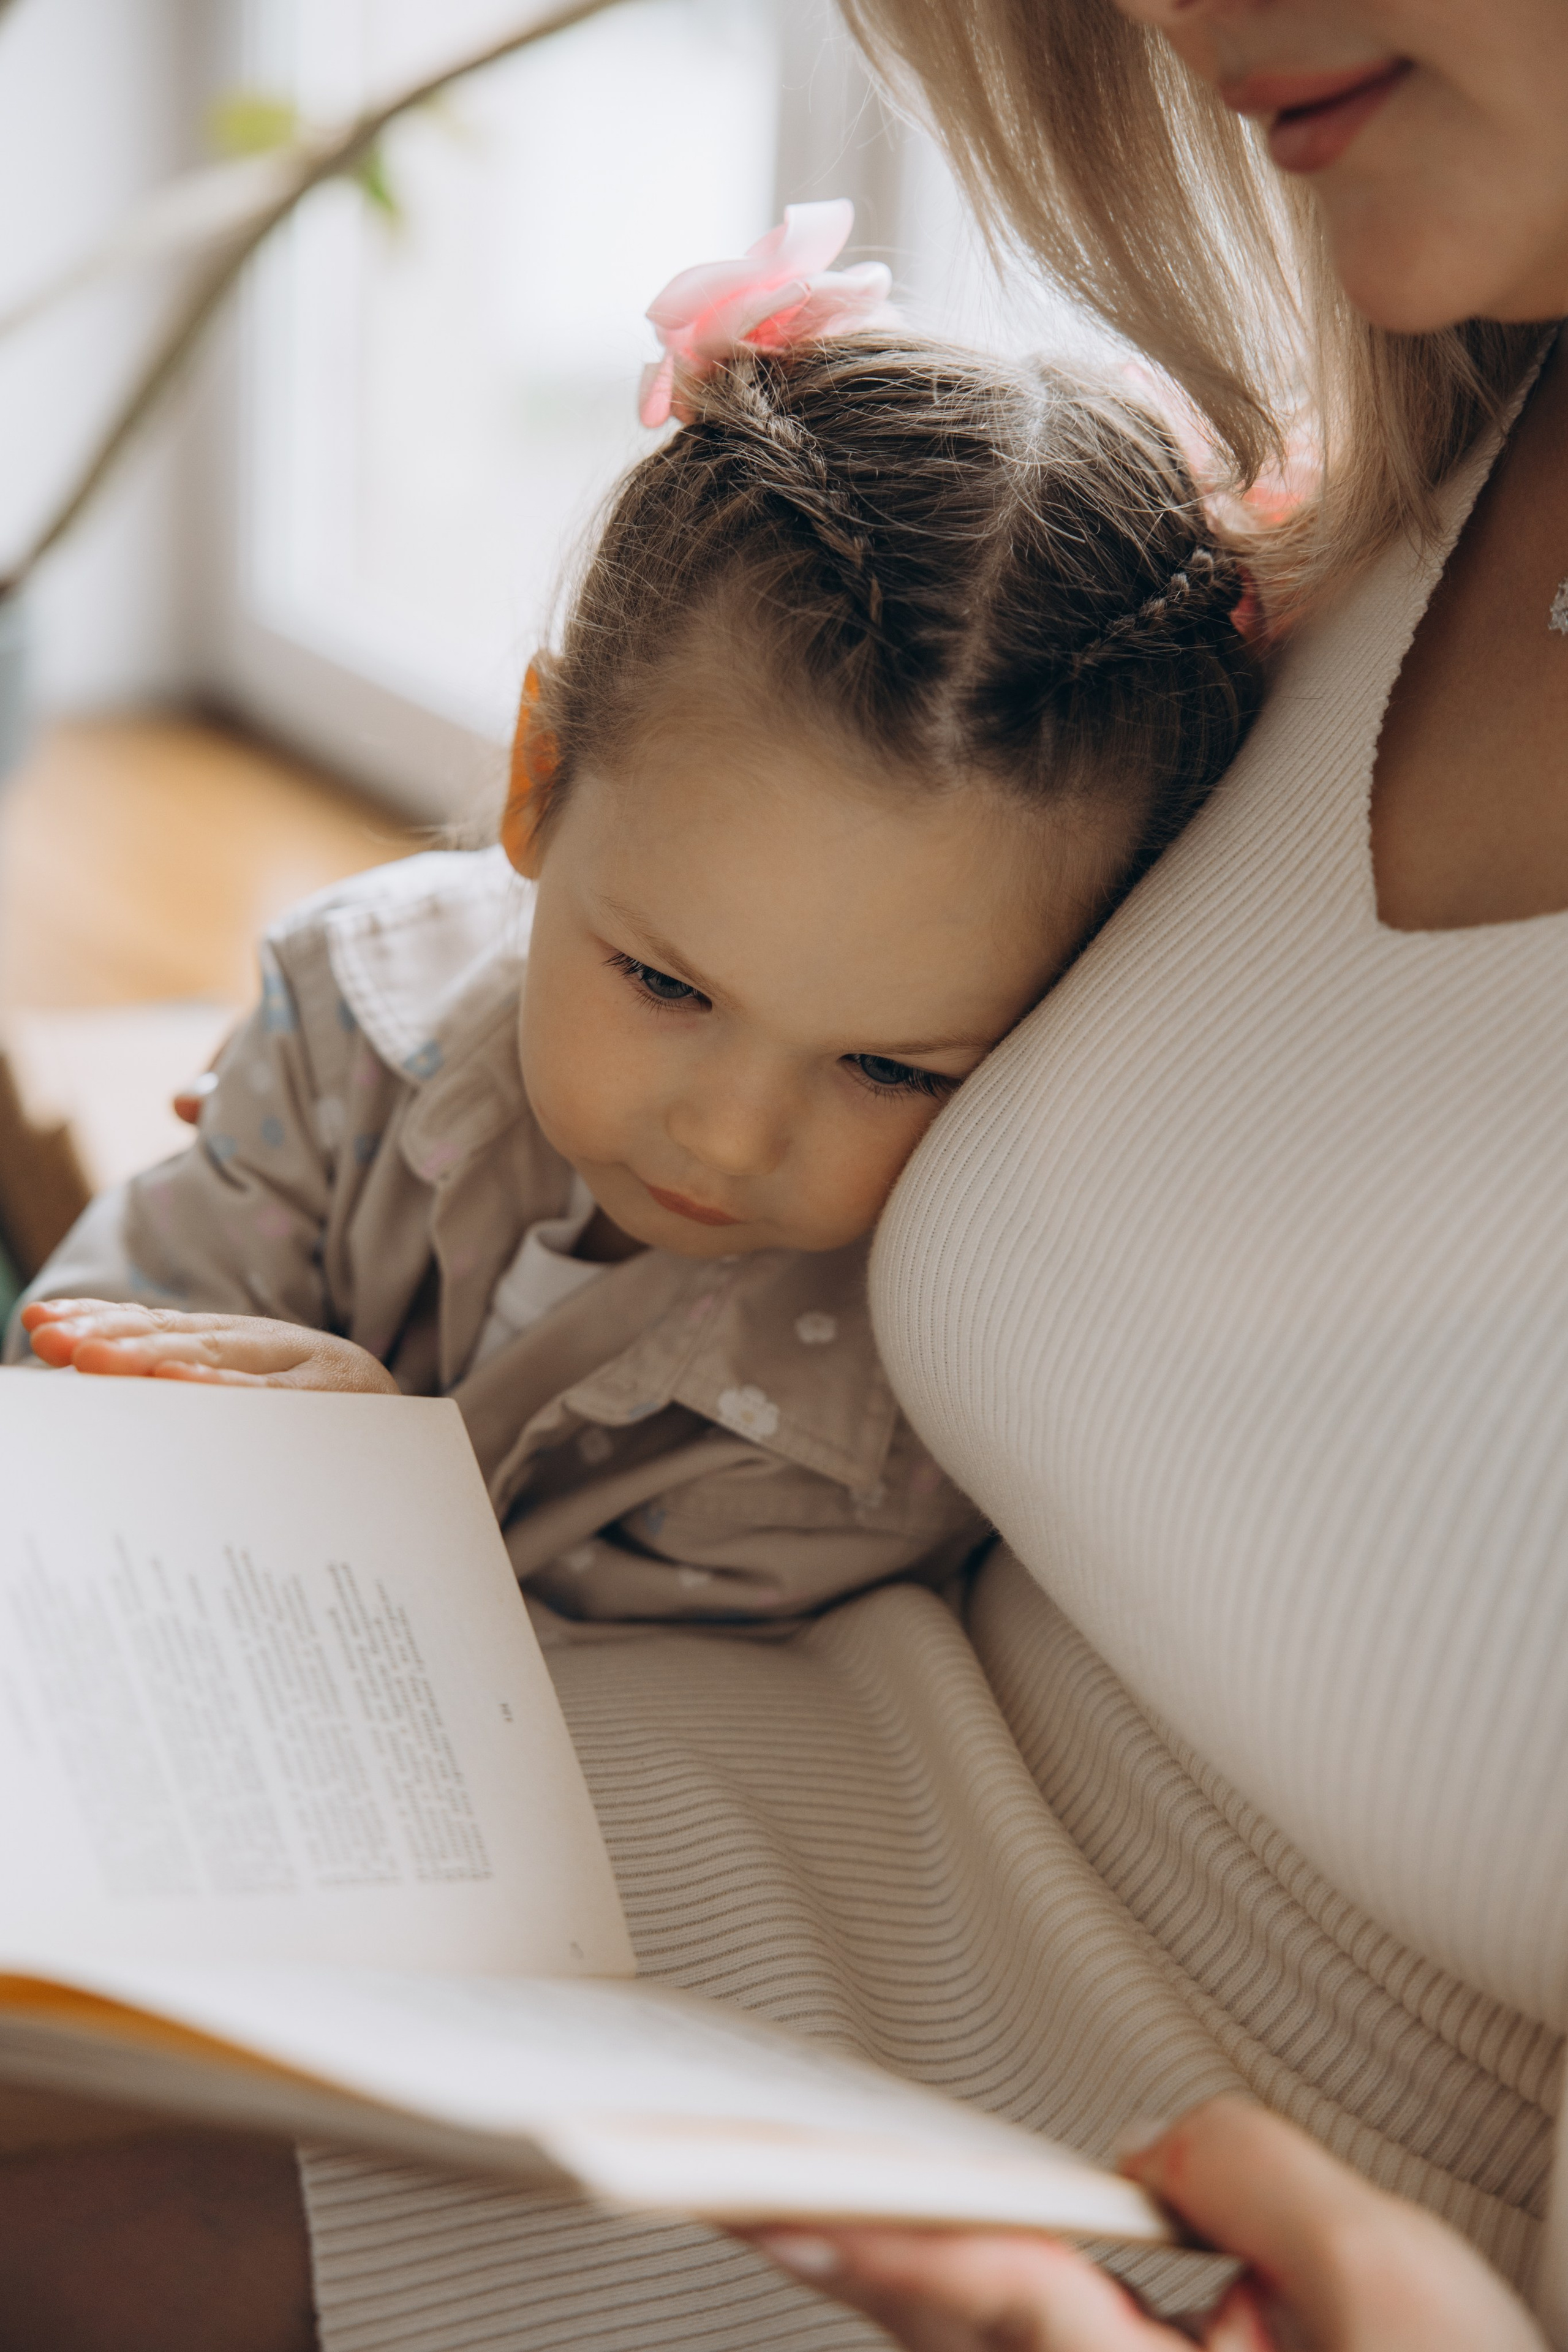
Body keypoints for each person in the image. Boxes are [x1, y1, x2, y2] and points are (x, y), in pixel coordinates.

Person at [0, 4, 1562, 2346]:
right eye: (662, 988)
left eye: (897, 1072)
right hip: (622, 1852)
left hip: (1132, 2185)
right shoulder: (1377, 481)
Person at [9, 209, 1259, 1640]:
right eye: (666, 983)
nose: (726, 1138)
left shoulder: (908, 1400)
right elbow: (75, 1385)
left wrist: (378, 1502)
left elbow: (639, 1730)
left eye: (891, 1069)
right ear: (539, 777)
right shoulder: (345, 1022)